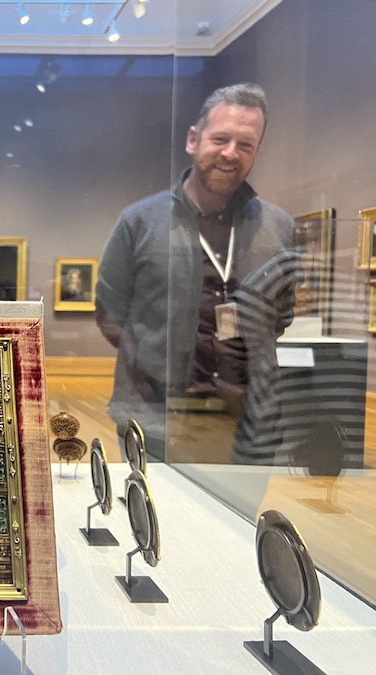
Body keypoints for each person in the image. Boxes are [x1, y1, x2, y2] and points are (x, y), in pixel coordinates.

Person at [95, 83, 297, 464]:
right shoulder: (140, 222)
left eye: (246, 145)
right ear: (193, 139)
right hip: (156, 419)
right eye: (220, 139)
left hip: (249, 426)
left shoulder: (279, 228)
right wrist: (152, 367)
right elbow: (109, 312)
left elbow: (280, 317)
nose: (230, 153)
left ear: (256, 152)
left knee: (235, 526)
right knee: (155, 523)